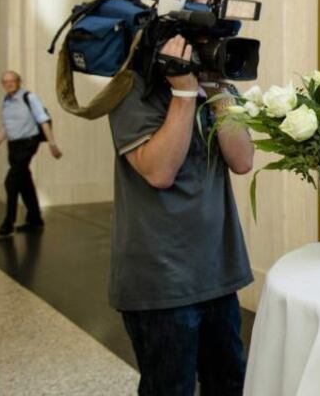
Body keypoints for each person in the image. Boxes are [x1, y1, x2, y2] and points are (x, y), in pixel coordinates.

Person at [108, 33, 255, 396]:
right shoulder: (132, 90)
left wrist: (215, 88)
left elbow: (242, 160)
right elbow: (158, 172)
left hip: (219, 271)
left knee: (229, 383)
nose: (210, 45)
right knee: (170, 388)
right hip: (162, 281)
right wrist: (184, 93)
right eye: (200, 38)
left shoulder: (218, 90)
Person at [0, 71, 62, 237]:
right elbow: (6, 128)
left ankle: (9, 223)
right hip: (13, 145)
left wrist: (52, 144)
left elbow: (43, 120)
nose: (9, 84)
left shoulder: (29, 97)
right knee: (24, 181)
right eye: (5, 82)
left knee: (11, 182)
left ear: (19, 81)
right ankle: (35, 219)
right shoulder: (5, 101)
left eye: (12, 81)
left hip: (28, 143)